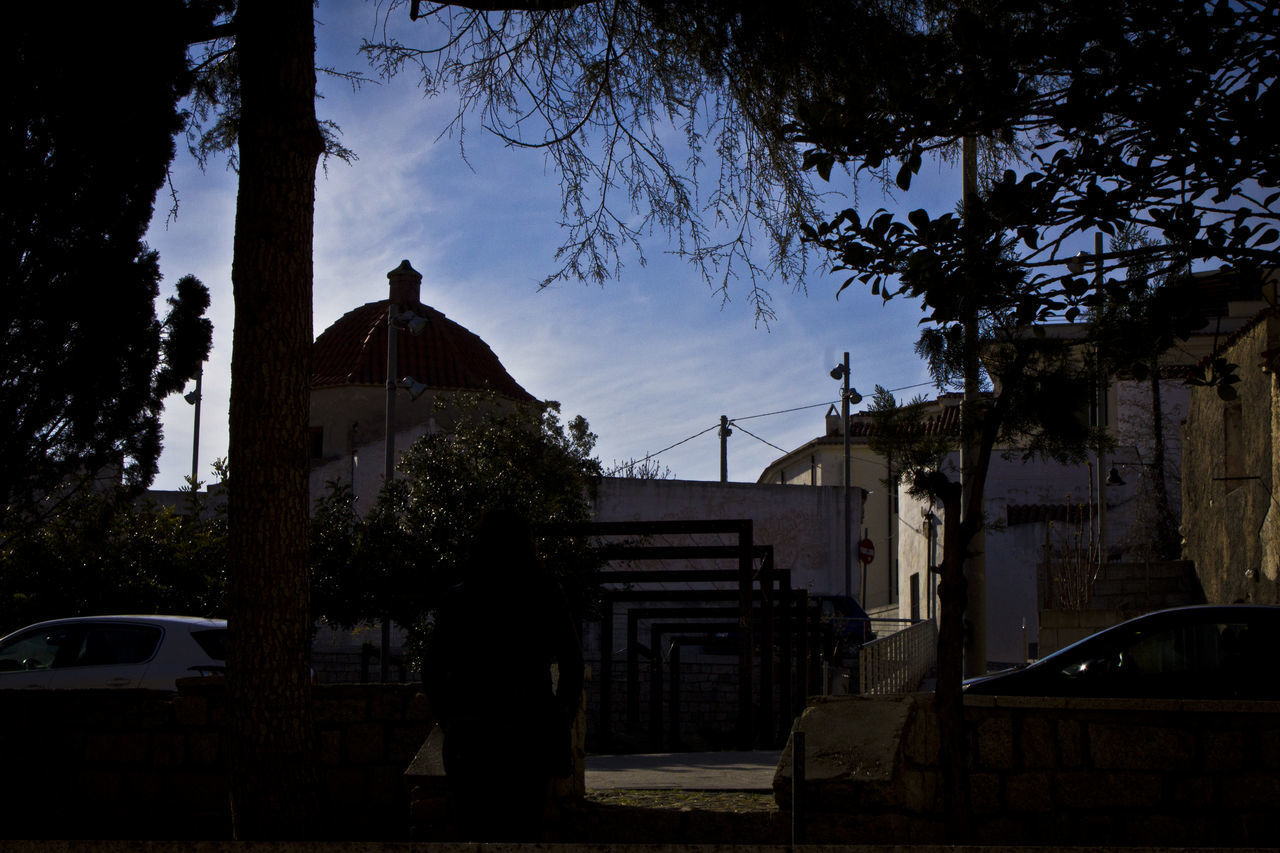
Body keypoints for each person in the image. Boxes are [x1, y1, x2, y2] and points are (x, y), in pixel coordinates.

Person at [423, 507, 584, 840]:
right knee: (523, 829)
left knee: (474, 828)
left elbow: (433, 670)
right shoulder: (546, 593)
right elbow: (572, 661)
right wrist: (561, 715)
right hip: (529, 736)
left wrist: (450, 720)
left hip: (472, 738)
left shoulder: (460, 598)